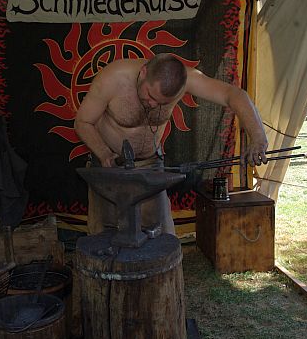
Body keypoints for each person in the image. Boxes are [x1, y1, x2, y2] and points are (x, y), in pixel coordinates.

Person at [74, 53, 269, 235]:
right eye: (150, 95)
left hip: (150, 168)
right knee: (103, 240)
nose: (153, 104)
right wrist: (104, 154)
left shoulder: (186, 79)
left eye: (162, 102)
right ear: (144, 72)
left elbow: (234, 94)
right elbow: (82, 122)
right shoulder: (113, 77)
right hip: (109, 168)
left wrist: (258, 137)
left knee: (161, 238)